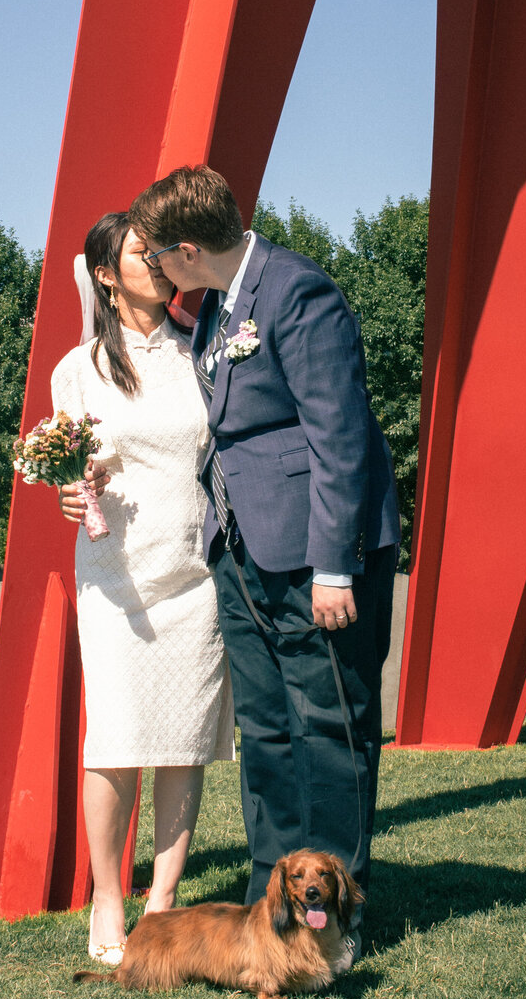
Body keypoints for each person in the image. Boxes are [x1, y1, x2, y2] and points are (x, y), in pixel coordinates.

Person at [128, 165, 399, 949]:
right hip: (241, 549)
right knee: (269, 730)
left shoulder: (299, 292)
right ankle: (272, 906)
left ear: (185, 249)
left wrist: (335, 567)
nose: (152, 267)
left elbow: (338, 435)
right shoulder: (214, 306)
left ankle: (340, 913)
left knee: (330, 726)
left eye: (154, 253)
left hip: (314, 553)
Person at [52, 214, 234, 967]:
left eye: (160, 252)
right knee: (116, 736)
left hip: (194, 571)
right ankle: (107, 893)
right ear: (104, 274)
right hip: (117, 576)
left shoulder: (205, 354)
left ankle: (162, 902)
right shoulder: (81, 365)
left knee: (184, 737)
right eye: (138, 253)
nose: (156, 264)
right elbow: (67, 456)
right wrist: (68, 486)